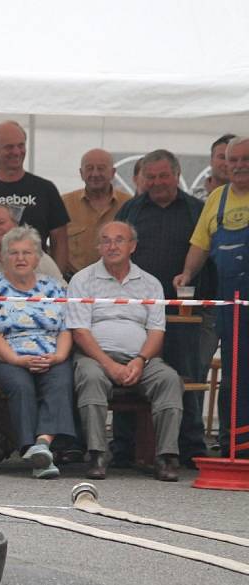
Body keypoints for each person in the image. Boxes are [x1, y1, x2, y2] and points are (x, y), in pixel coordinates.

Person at [68, 221, 183, 482]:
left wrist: (140, 361)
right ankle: (98, 453)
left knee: (169, 380)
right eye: (106, 240)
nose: (112, 246)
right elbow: (80, 332)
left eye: (119, 240)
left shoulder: (150, 283)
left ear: (133, 246)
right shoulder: (82, 280)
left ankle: (166, 457)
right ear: (98, 246)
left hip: (141, 358)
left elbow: (156, 332)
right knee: (91, 377)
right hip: (95, 357)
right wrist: (110, 365)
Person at [115, 149, 208, 467]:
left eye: (163, 176)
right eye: (150, 177)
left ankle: (191, 447)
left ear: (177, 173)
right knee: (131, 376)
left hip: (182, 314)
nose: (156, 183)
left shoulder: (196, 210)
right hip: (137, 314)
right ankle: (124, 449)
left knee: (187, 377)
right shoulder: (131, 209)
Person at [0, 205, 65, 467]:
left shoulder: (53, 287)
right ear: (4, 257)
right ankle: (30, 448)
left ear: (38, 257)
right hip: (4, 357)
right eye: (14, 253)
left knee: (62, 377)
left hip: (48, 354)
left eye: (27, 253)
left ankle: (43, 444)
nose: (20, 258)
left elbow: (67, 327)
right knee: (20, 383)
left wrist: (56, 357)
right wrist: (17, 360)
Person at [175, 136, 249, 458]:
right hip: (228, 300)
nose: (239, 165)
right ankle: (233, 444)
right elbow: (200, 245)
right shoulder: (217, 198)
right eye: (233, 160)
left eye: (245, 159)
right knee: (233, 373)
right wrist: (187, 274)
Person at [0, 120, 69, 274]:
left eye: (21, 145)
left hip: (36, 280)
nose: (16, 152)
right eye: (9, 147)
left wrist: (54, 281)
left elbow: (60, 242)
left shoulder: (45, 189)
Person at [62, 149, 131, 278]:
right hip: (72, 283)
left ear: (113, 173)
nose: (95, 173)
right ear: (81, 173)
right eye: (89, 168)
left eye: (101, 168)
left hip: (118, 282)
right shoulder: (65, 203)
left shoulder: (129, 204)